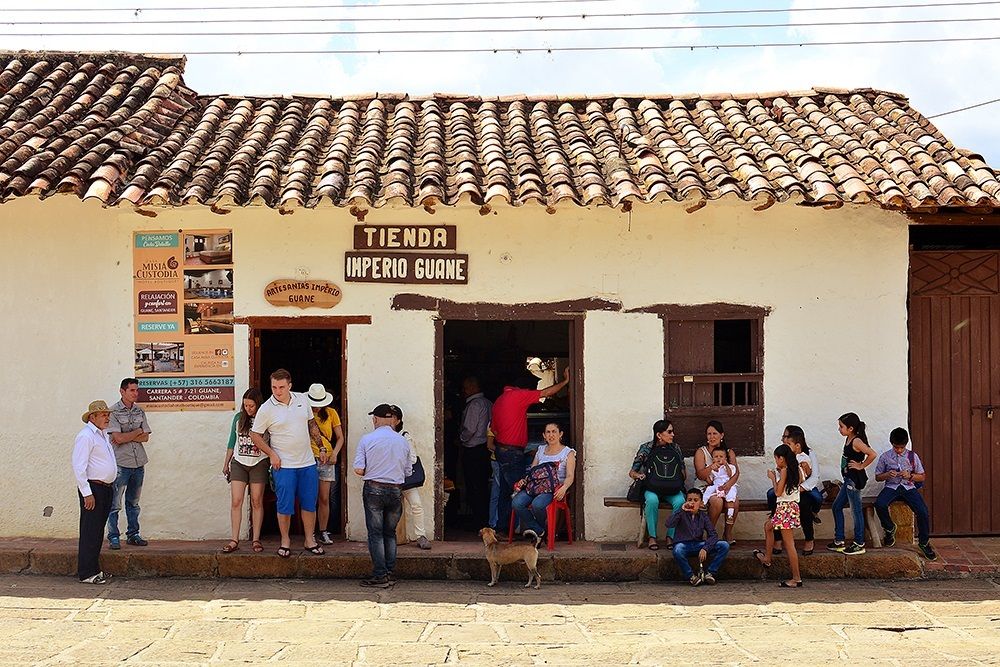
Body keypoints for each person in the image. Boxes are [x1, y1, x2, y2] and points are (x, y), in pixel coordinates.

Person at [250, 369, 326, 558]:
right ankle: (285, 541)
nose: (278, 391)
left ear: (290, 386)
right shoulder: (266, 408)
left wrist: (321, 447)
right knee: (284, 505)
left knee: (309, 503)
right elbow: (255, 435)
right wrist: (272, 454)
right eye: (274, 387)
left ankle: (310, 540)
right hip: (283, 465)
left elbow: (311, 425)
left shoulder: (302, 399)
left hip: (307, 463)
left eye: (282, 387)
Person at [489, 367, 570, 530]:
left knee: (506, 493)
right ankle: (538, 530)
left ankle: (503, 528)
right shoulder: (519, 395)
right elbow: (546, 393)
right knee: (522, 492)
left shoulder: (499, 400)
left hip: (502, 451)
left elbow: (495, 430)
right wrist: (565, 382)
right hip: (512, 453)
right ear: (524, 387)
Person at [354, 403, 413, 588]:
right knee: (390, 533)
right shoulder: (403, 441)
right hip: (395, 490)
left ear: (376, 419)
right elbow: (408, 471)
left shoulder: (367, 439)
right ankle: (389, 572)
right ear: (392, 420)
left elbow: (358, 469)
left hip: (374, 489)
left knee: (376, 534)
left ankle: (380, 575)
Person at [873, 427, 937, 561]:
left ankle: (924, 543)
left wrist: (910, 476)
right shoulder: (885, 457)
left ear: (906, 444)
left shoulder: (913, 456)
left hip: (908, 487)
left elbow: (922, 476)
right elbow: (878, 477)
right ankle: (889, 528)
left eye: (902, 447)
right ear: (892, 444)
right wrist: (887, 474)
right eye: (896, 447)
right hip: (892, 486)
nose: (899, 450)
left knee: (923, 512)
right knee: (880, 504)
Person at [72, 400, 117, 584]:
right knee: (90, 530)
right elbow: (78, 466)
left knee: (97, 530)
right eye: (103, 415)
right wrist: (86, 493)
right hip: (93, 489)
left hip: (104, 488)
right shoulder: (86, 436)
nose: (107, 417)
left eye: (107, 414)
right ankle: (87, 572)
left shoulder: (102, 435)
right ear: (93, 417)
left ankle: (94, 569)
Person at [107, 378, 152, 550]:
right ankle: (113, 536)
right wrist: (137, 431)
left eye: (136, 390)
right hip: (121, 463)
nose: (135, 393)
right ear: (122, 391)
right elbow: (117, 438)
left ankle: (133, 535)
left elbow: (146, 437)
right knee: (115, 503)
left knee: (133, 503)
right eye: (132, 390)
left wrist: (128, 435)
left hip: (138, 462)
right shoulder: (113, 412)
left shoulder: (140, 411)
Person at [511, 422, 576, 541]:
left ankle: (544, 532)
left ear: (560, 434)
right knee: (516, 503)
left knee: (538, 504)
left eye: (554, 432)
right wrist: (524, 480)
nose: (551, 435)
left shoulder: (568, 453)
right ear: (544, 436)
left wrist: (564, 488)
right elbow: (532, 470)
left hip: (552, 488)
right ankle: (541, 531)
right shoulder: (540, 450)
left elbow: (570, 475)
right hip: (535, 486)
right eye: (548, 432)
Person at [222, 388, 268, 553]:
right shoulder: (238, 419)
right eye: (245, 405)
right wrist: (226, 463)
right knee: (236, 501)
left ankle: (256, 539)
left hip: (259, 463)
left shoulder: (265, 418)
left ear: (258, 404)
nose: (248, 409)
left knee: (256, 501)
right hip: (239, 463)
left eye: (251, 406)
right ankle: (234, 539)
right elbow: (231, 442)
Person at [629, 419, 686, 550]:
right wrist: (640, 476)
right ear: (659, 435)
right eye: (669, 432)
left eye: (673, 432)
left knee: (680, 501)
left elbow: (684, 474)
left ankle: (670, 536)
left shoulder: (676, 448)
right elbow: (632, 472)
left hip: (672, 488)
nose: (673, 435)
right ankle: (652, 537)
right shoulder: (646, 448)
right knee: (652, 500)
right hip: (652, 487)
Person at [827, 412, 877, 555]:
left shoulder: (856, 441)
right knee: (837, 506)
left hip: (853, 481)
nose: (839, 429)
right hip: (847, 480)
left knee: (856, 511)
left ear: (850, 428)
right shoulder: (849, 438)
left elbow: (872, 454)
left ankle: (859, 543)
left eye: (841, 427)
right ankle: (839, 540)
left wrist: (861, 466)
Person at [754, 444, 803, 588]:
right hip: (792, 506)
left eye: (777, 458)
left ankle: (796, 578)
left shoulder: (785, 471)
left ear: (781, 458)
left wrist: (773, 478)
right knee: (768, 527)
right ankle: (767, 558)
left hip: (784, 508)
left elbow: (777, 492)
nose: (776, 461)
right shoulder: (797, 470)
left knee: (789, 544)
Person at [667, 488, 730, 586]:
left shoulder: (703, 516)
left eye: (695, 500)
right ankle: (691, 576)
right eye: (689, 500)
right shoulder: (681, 514)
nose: (692, 503)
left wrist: (705, 548)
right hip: (684, 545)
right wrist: (681, 510)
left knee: (724, 545)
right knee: (677, 550)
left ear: (701, 503)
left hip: (698, 545)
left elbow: (713, 535)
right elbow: (669, 524)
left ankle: (710, 573)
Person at [390, 404, 431, 550]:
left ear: (398, 420)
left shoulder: (404, 437)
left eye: (392, 417)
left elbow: (412, 458)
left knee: (416, 505)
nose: (389, 420)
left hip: (405, 478)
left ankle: (421, 535)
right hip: (389, 479)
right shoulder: (381, 436)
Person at [308, 383, 345, 546]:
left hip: (326, 458)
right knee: (309, 497)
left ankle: (323, 530)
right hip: (307, 457)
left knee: (324, 498)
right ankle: (310, 532)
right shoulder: (304, 412)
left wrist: (335, 454)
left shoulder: (331, 413)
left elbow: (340, 437)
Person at [694, 420, 740, 541]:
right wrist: (710, 468)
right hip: (706, 486)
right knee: (717, 501)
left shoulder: (729, 453)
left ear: (722, 435)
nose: (712, 437)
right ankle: (710, 532)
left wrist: (728, 485)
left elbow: (736, 473)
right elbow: (700, 475)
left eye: (715, 433)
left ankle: (727, 533)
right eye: (709, 434)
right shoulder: (701, 452)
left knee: (734, 502)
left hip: (725, 486)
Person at [458, 376, 492, 530]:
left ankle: (478, 523)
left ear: (472, 387)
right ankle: (484, 520)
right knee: (483, 486)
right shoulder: (488, 403)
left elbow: (469, 429)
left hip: (473, 450)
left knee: (474, 487)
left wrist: (460, 439)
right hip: (484, 449)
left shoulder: (474, 405)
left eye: (465, 387)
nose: (463, 391)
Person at [702, 448, 738, 528]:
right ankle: (703, 503)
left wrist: (726, 465)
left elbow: (730, 474)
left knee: (731, 497)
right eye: (716, 456)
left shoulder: (730, 466)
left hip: (728, 486)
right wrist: (709, 469)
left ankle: (730, 515)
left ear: (725, 458)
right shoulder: (712, 468)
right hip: (717, 486)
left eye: (721, 456)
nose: (718, 458)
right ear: (713, 458)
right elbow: (710, 480)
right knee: (709, 490)